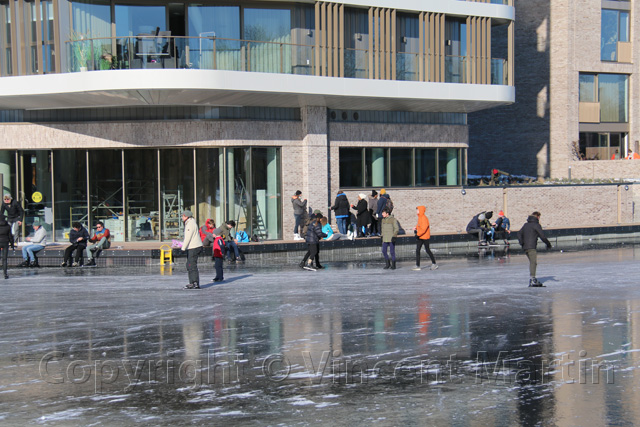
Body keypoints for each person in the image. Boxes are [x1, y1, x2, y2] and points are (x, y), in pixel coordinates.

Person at [517, 211, 552, 287]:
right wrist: (548, 244)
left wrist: (522, 243)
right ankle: (533, 279)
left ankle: (532, 279)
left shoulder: (526, 225)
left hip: (525, 247)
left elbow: (519, 233)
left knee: (532, 262)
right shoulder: (536, 225)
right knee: (533, 262)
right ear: (538, 217)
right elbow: (542, 236)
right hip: (531, 247)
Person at [181, 210, 203, 290]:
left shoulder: (190, 224)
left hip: (194, 247)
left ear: (186, 216)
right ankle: (193, 282)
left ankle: (194, 282)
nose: (182, 217)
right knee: (189, 264)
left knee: (191, 265)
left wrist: (183, 248)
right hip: (194, 246)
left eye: (183, 216)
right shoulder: (190, 222)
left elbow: (188, 237)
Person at [412, 206, 437, 271]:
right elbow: (419, 225)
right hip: (420, 237)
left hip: (425, 237)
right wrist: (416, 228)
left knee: (427, 250)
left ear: (421, 210)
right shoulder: (420, 217)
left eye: (417, 210)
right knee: (417, 250)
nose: (416, 211)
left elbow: (424, 229)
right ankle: (417, 265)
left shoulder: (424, 218)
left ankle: (434, 263)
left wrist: (417, 234)